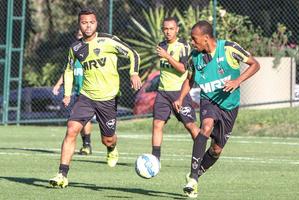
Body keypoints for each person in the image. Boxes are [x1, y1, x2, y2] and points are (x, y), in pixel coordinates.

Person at [49, 8, 141, 188]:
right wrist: (67, 93)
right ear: (79, 25)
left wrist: (134, 73)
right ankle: (62, 174)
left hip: (107, 99)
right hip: (86, 97)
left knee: (107, 138)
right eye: (84, 23)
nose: (88, 26)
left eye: (91, 22)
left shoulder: (108, 40)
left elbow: (133, 53)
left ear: (96, 23)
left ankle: (111, 148)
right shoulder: (75, 48)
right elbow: (68, 70)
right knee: (71, 130)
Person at [173, 20, 260, 198]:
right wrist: (180, 97)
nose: (192, 42)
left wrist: (237, 81)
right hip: (209, 100)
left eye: (194, 39)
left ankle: (194, 174)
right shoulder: (195, 57)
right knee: (205, 127)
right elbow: (190, 79)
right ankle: (193, 181)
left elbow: (255, 64)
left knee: (216, 150)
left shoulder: (229, 48)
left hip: (230, 106)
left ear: (206, 38)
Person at [151, 17, 200, 163]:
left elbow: (182, 69)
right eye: (165, 29)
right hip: (162, 92)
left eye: (171, 29)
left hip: (179, 92)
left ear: (177, 29)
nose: (168, 32)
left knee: (190, 125)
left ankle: (202, 152)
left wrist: (167, 56)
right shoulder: (161, 45)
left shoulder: (183, 46)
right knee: (157, 124)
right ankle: (155, 159)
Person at [52, 29, 93, 155]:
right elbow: (67, 71)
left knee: (84, 119)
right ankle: (86, 145)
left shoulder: (92, 52)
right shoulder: (74, 52)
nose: (82, 37)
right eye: (79, 35)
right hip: (77, 92)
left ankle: (88, 145)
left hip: (90, 92)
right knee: (80, 119)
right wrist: (58, 85)